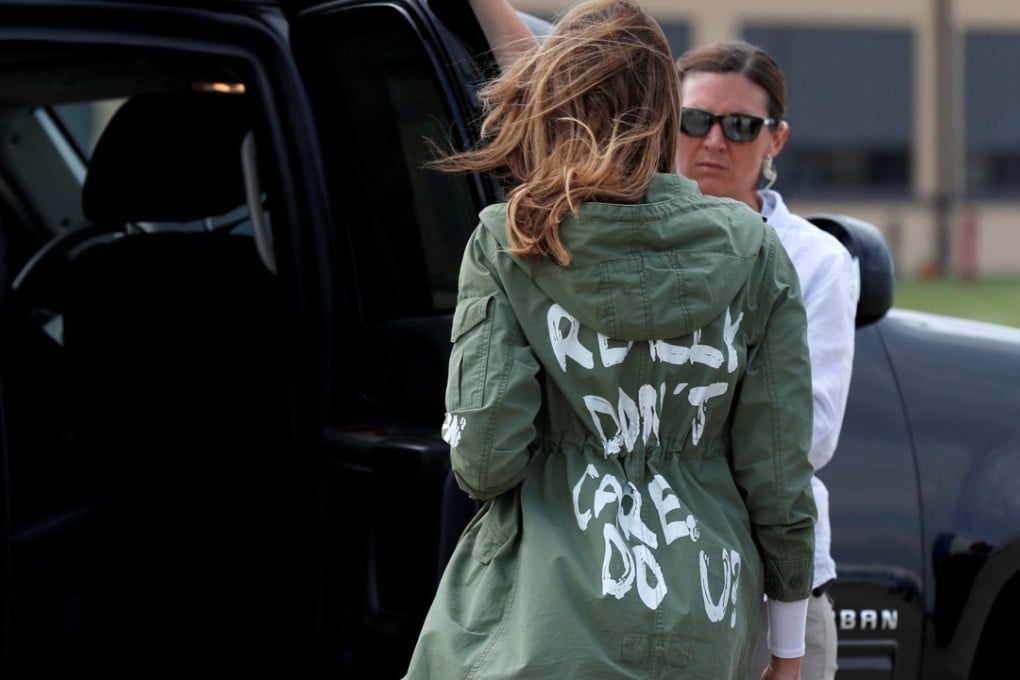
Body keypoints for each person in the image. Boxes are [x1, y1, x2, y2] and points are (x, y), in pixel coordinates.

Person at [403, 1, 817, 678]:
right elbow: (778, 472)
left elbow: (486, 461)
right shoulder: (755, 249)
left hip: (543, 622)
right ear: (662, 111)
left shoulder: (510, 241)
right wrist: (789, 649)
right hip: (707, 616)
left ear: (555, 104)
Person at [674, 41, 860, 680]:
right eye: (694, 119)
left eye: (741, 126)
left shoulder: (816, 261)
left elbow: (807, 433)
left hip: (770, 577)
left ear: (775, 139)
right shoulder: (622, 240)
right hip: (654, 572)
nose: (715, 141)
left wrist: (678, 439)